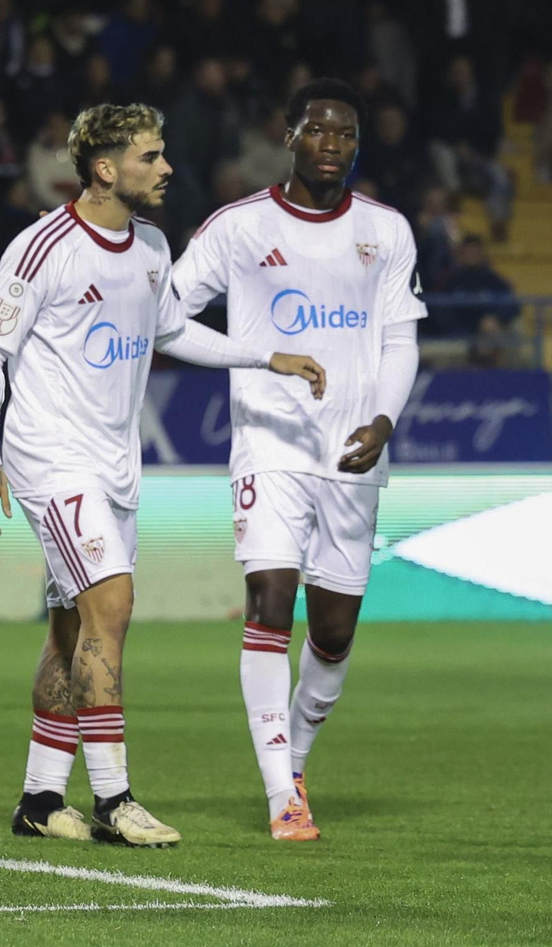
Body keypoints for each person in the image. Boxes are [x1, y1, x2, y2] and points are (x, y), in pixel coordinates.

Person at [0, 104, 324, 846]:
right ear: (105, 168)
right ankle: (113, 797)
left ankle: (39, 799)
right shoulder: (43, 248)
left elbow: (170, 328)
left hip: (114, 467)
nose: (166, 168)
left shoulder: (154, 246)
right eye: (151, 156)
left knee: (72, 628)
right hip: (52, 457)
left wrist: (266, 354)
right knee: (114, 605)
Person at [170, 79, 427, 842]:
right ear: (290, 136)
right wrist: (257, 358)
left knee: (336, 630)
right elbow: (167, 318)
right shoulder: (238, 229)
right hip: (270, 445)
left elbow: (400, 340)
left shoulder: (386, 230)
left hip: (352, 453)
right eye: (319, 131)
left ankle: (298, 760)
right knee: (270, 602)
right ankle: (283, 791)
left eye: (347, 135)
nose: (333, 145)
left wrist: (384, 418)